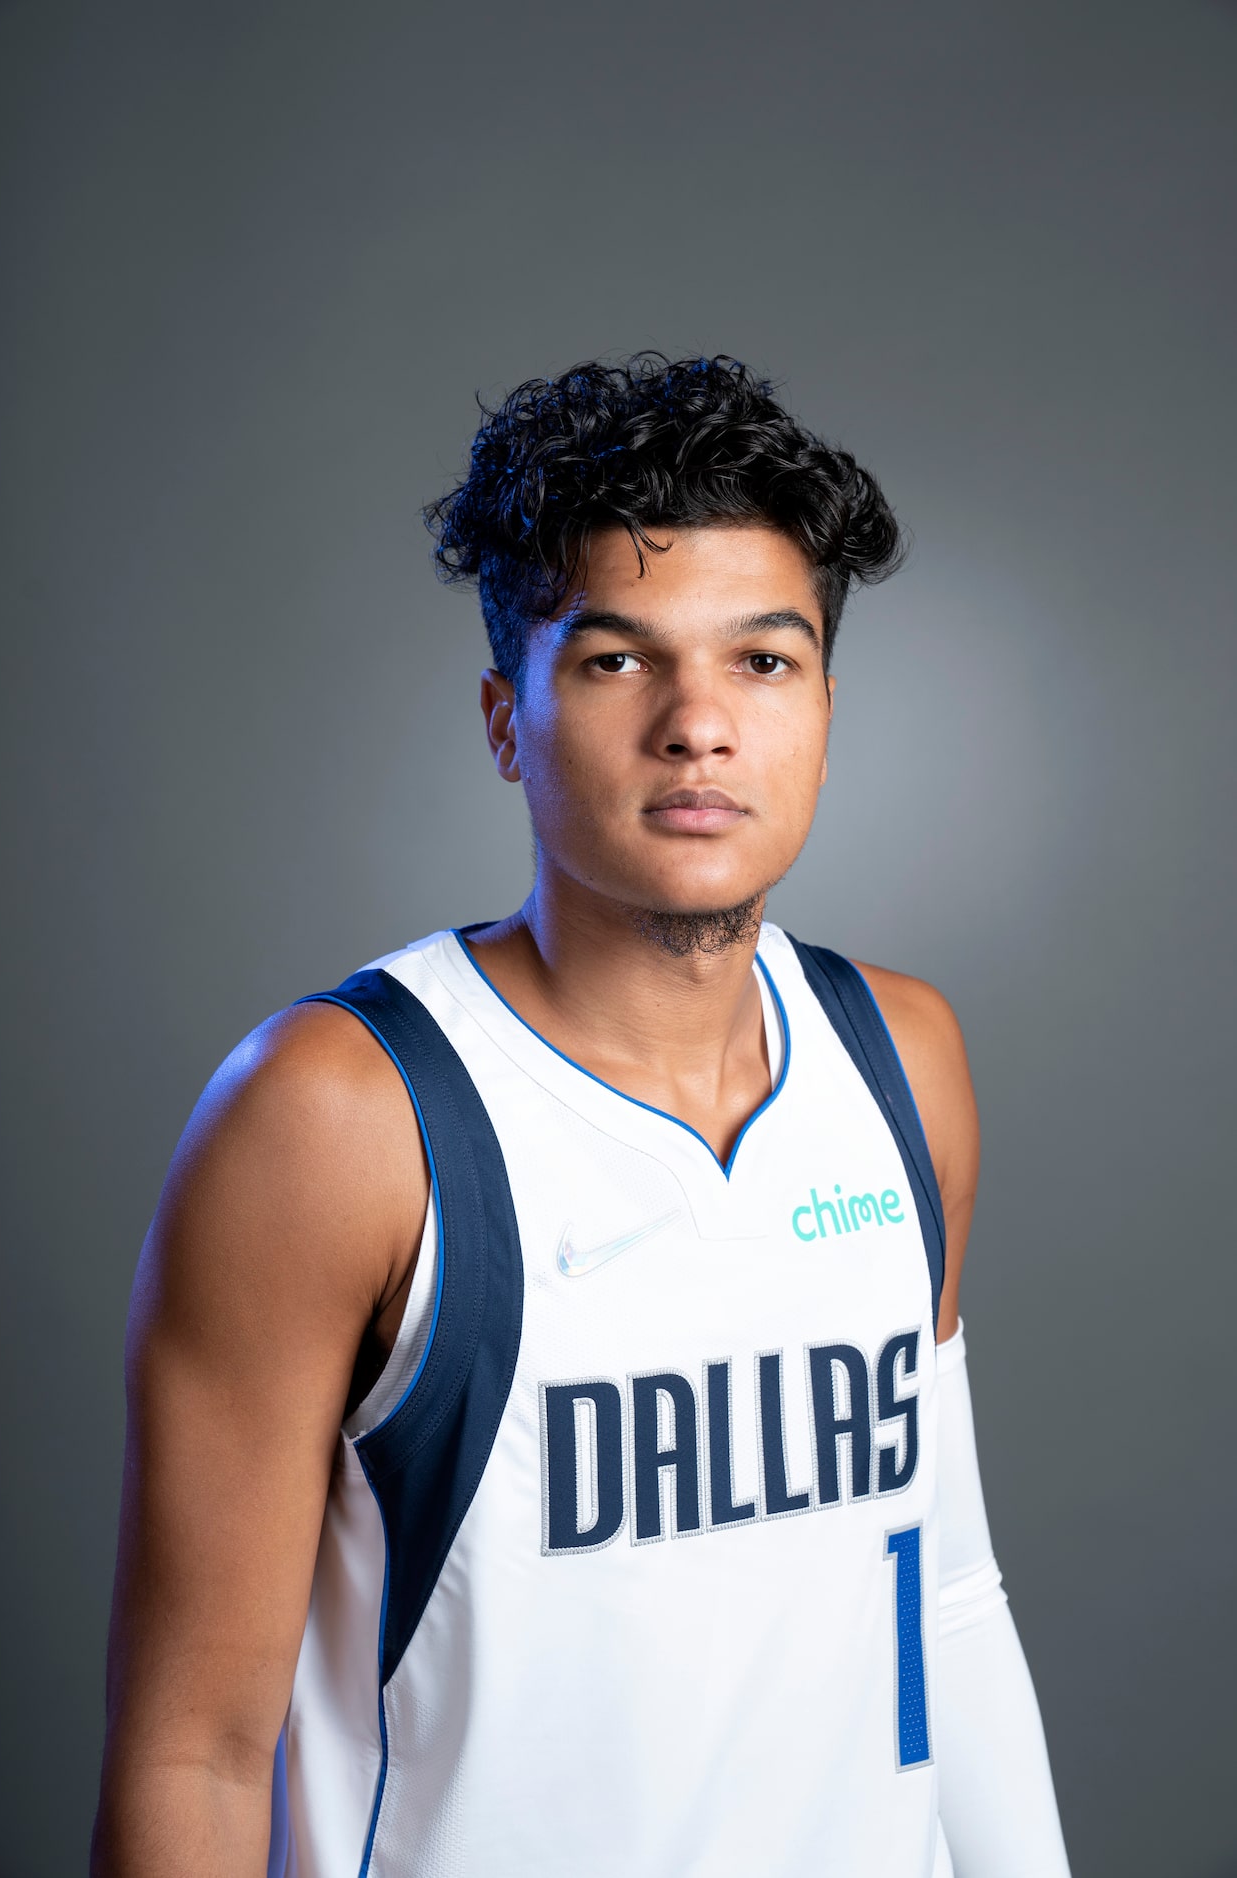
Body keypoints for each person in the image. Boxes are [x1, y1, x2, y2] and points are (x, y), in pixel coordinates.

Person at [92, 354, 1071, 1877]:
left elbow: (943, 1590)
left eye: (764, 660)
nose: (699, 723)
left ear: (823, 703)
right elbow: (197, 1752)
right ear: (506, 717)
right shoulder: (343, 1117)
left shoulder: (903, 1059)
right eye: (618, 660)